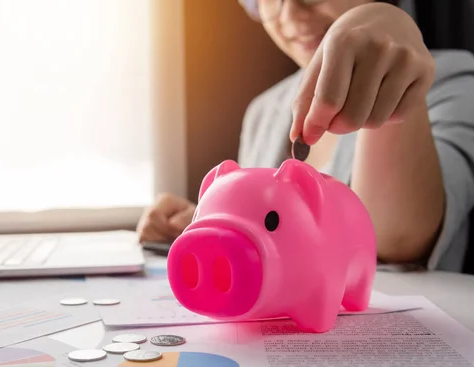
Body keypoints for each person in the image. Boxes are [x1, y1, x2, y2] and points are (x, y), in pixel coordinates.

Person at [136, 0, 474, 273]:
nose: (291, 14)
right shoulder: (264, 111)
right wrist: (208, 220)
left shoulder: (454, 81)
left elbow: (395, 243)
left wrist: (392, 63)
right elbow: (271, 235)